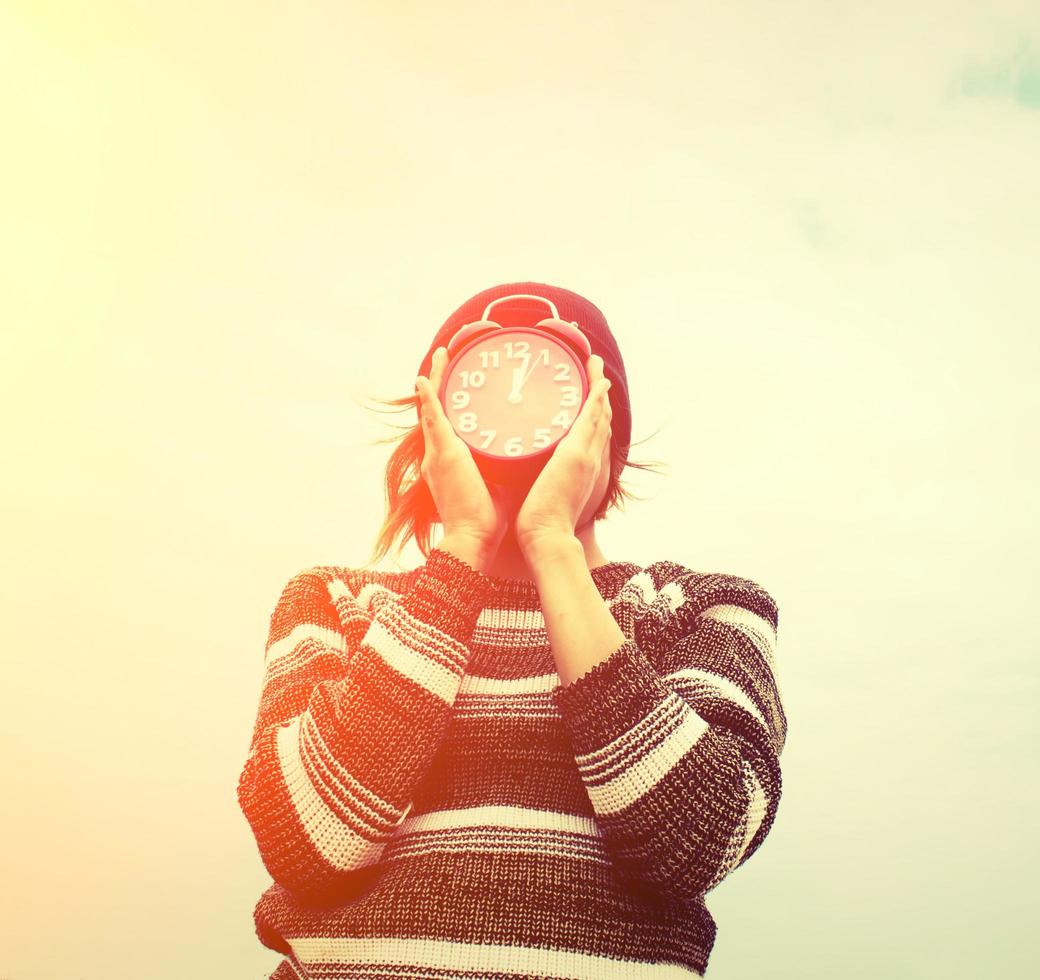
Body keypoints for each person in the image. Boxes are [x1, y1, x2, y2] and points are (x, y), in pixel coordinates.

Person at [235, 282, 786, 979]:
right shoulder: (333, 601)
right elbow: (311, 842)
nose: (514, 418)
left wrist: (552, 545)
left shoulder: (703, 608)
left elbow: (692, 840)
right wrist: (462, 545)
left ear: (601, 431)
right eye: (481, 394)